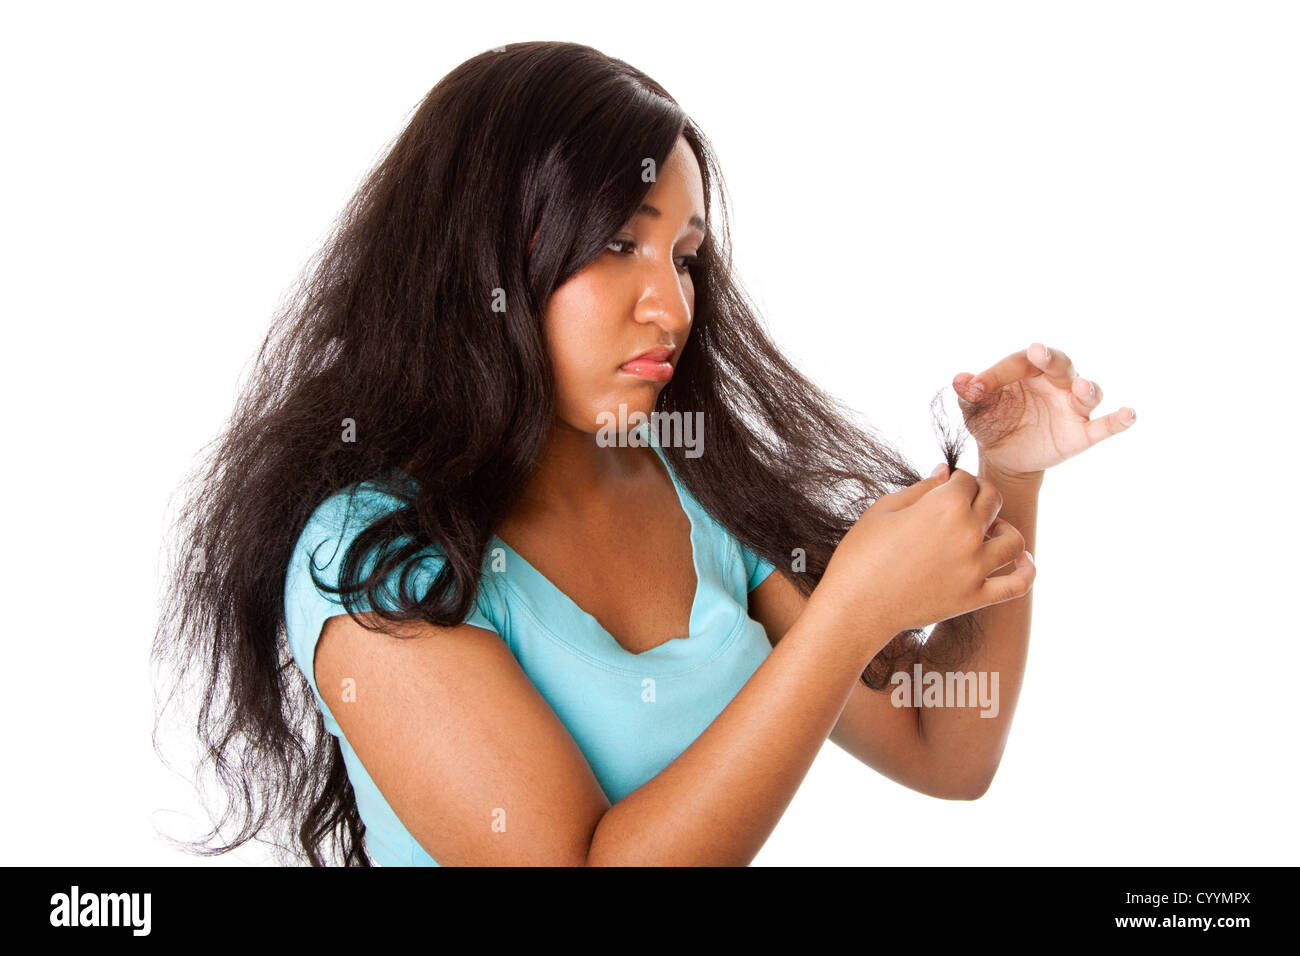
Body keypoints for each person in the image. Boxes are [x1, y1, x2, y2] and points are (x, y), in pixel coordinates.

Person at [153, 41, 1135, 867]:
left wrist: (1008, 472)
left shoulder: (695, 481)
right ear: (488, 259)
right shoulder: (370, 550)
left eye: (683, 255)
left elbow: (943, 748)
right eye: (619, 244)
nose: (670, 305)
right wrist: (846, 617)